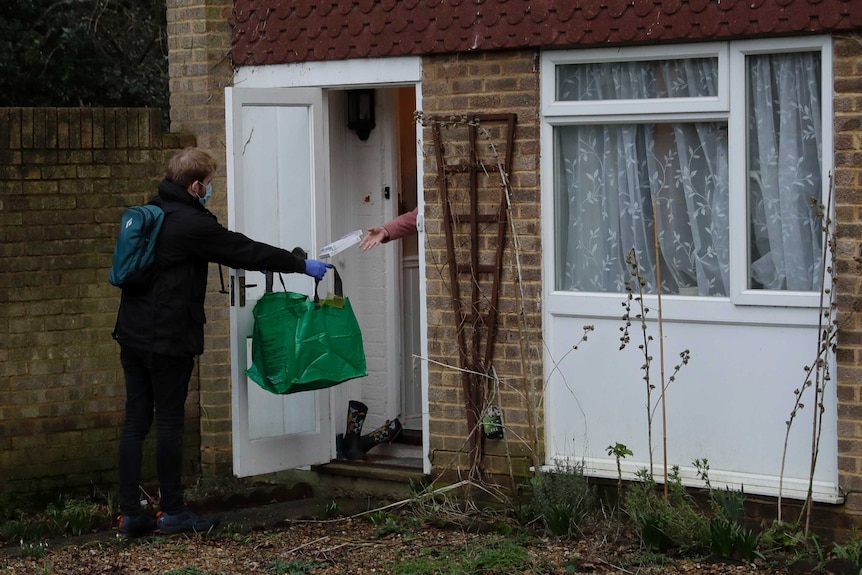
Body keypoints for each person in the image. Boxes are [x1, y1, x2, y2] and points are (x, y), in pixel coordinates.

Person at [112, 147, 332, 536]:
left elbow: (234, 253)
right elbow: (242, 249)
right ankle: (174, 512)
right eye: (209, 184)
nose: (210, 191)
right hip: (167, 338)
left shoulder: (155, 211)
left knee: (135, 421)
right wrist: (300, 265)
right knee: (168, 422)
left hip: (131, 333)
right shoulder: (190, 224)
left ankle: (130, 513)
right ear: (196, 185)